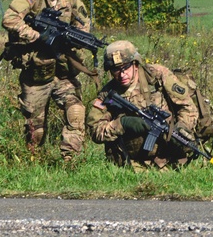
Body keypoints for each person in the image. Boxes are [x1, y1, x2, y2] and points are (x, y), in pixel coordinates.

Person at [1, 0, 91, 161]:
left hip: (63, 73)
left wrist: (68, 40)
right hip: (36, 73)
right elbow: (9, 19)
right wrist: (36, 36)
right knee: (35, 129)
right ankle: (34, 162)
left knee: (75, 111)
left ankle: (71, 161)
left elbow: (84, 28)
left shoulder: (72, 1)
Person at [86, 40, 201, 171]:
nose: (122, 74)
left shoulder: (156, 75)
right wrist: (122, 124)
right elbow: (94, 130)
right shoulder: (108, 94)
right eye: (116, 70)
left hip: (169, 158)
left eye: (125, 67)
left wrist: (181, 129)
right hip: (131, 164)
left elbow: (188, 107)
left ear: (135, 63)